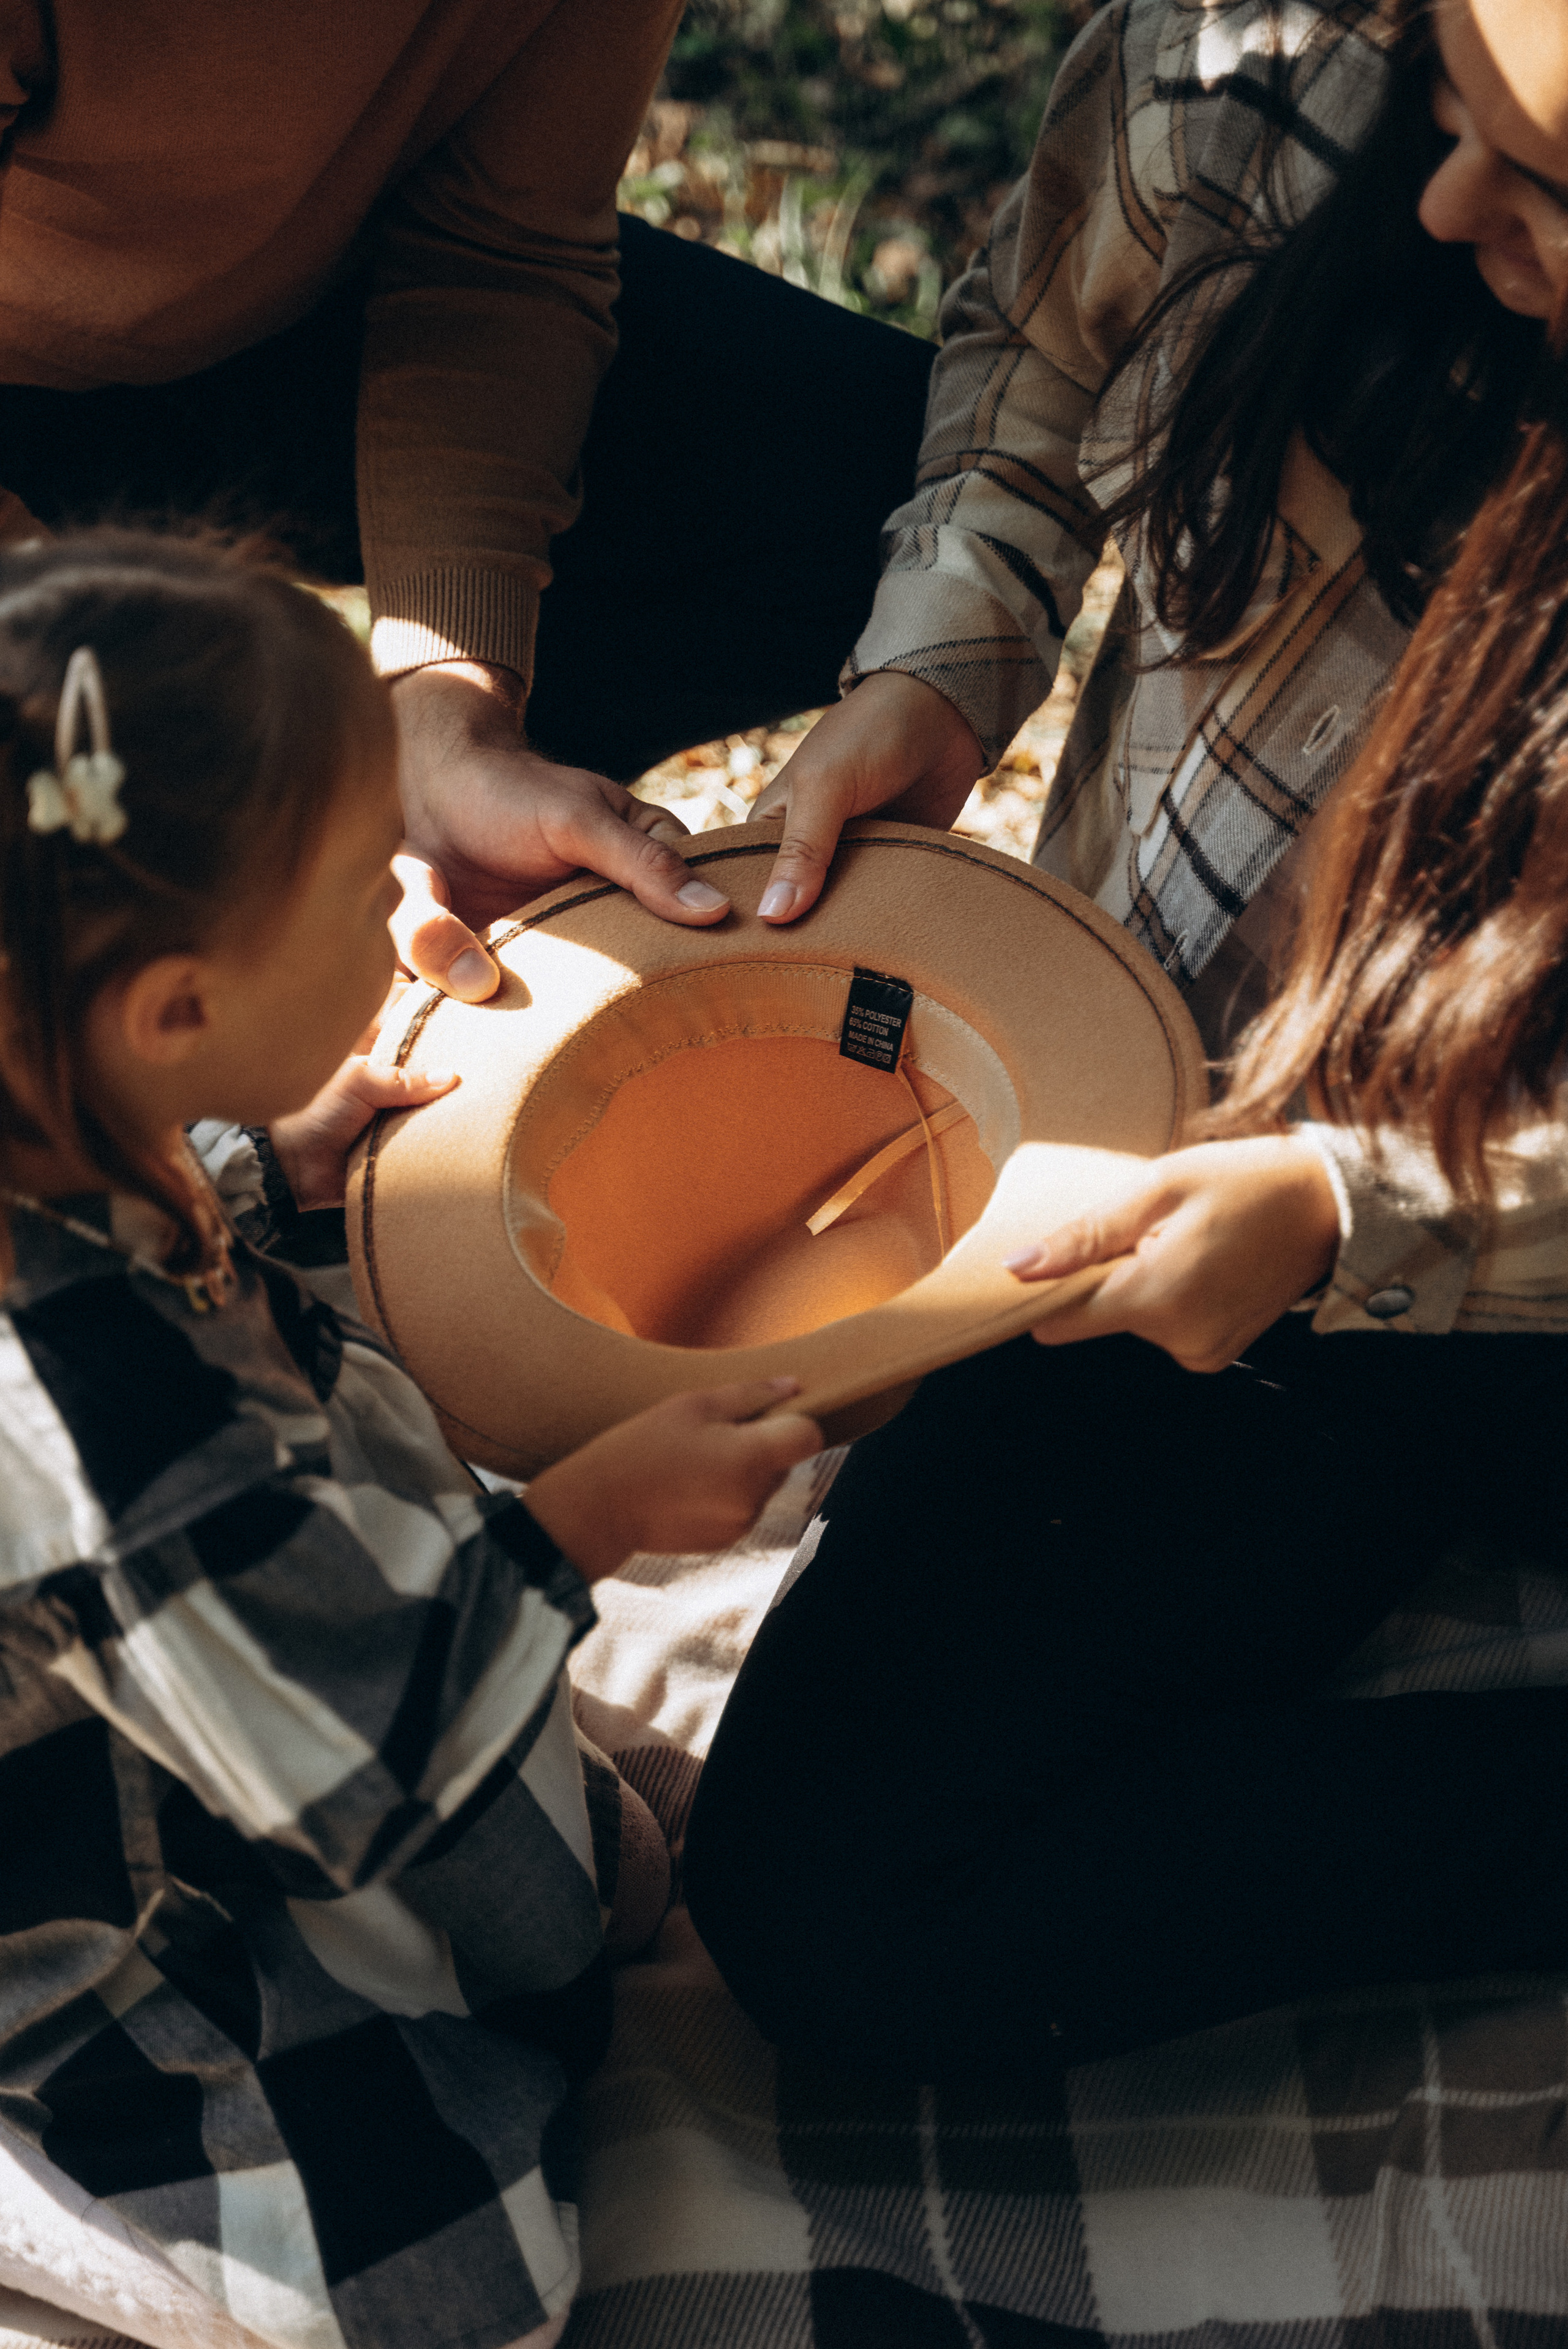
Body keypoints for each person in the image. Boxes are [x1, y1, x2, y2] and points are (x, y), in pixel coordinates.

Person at [681, 295, 1568, 2087]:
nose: (1449, 208)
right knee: (843, 1906)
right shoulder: (1283, 126)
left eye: (1538, 177)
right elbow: (1028, 373)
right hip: (1204, 1150)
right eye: (1439, 145)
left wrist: (1354, 1215)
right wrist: (932, 672)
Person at [0, 532, 820, 2349]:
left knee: (582, 1866)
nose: (405, 894)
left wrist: (253, 1169)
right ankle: (53, 2194)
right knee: (462, 2284)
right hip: (104, 1898)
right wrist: (591, 1516)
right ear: (177, 1009)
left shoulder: (62, 1111)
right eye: (352, 885)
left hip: (233, 1681)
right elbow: (356, 1750)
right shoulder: (85, 1429)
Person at [0, 4, 935, 1001]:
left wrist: (452, 702)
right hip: (28, 376)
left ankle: (455, 825)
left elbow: (500, 249)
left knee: (890, 477)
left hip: (316, 289)